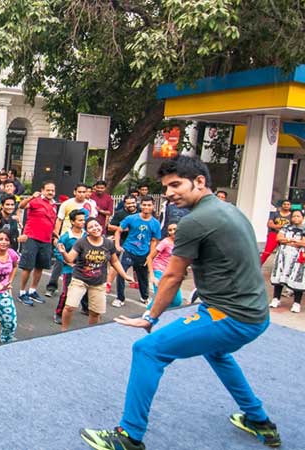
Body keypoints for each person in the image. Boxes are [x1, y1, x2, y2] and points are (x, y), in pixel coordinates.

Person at [80, 156, 281, 450]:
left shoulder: (195, 222)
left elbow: (173, 275)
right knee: (218, 354)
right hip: (255, 314)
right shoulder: (231, 211)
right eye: (166, 187)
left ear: (200, 181)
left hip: (231, 316)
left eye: (176, 184)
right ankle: (259, 420)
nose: (170, 193)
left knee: (147, 350)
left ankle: (128, 436)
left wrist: (149, 317)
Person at [57, 218, 133, 332]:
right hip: (80, 279)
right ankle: (64, 330)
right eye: (91, 227)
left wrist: (125, 275)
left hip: (98, 282)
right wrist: (63, 252)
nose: (95, 228)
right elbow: (70, 259)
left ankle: (91, 333)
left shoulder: (108, 243)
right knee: (69, 306)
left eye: (96, 225)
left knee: (95, 313)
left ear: (101, 227)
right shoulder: (81, 242)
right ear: (87, 231)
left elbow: (115, 261)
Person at [113, 196, 161, 307]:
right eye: (144, 205)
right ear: (141, 205)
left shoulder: (155, 223)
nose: (146, 207)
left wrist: (151, 255)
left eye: (149, 205)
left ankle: (145, 297)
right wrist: (117, 245)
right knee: (121, 274)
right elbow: (118, 231)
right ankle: (120, 298)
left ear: (153, 206)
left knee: (143, 277)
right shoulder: (131, 218)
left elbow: (154, 241)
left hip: (143, 253)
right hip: (128, 250)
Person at [17, 181, 57, 305]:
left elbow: (52, 222)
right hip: (32, 237)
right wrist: (31, 197)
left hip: (46, 240)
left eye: (52, 190)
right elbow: (22, 206)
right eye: (48, 190)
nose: (50, 192)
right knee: (27, 267)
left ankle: (32, 290)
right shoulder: (35, 201)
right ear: (43, 190)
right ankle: (22, 292)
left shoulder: (54, 205)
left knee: (40, 266)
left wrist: (55, 235)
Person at [52, 209, 86, 325]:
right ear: (72, 222)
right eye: (80, 220)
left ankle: (86, 309)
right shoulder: (66, 237)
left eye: (83, 220)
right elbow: (57, 252)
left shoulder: (87, 235)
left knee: (87, 291)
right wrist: (67, 262)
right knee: (67, 292)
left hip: (84, 269)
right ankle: (59, 313)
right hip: (69, 270)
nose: (83, 222)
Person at [269, 209, 305, 312]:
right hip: (283, 257)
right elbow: (279, 238)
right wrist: (293, 241)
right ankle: (276, 299)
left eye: (298, 216)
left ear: (302, 218)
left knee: (297, 280)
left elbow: (303, 243)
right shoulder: (286, 227)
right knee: (279, 277)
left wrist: (288, 241)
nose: (296, 218)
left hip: (298, 259)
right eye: (294, 216)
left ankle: (296, 303)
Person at [146, 222, 184, 309]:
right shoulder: (165, 242)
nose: (172, 232)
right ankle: (148, 315)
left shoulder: (182, 243)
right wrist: (152, 276)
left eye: (175, 229)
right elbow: (150, 257)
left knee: (177, 301)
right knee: (160, 297)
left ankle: (163, 315)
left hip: (172, 273)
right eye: (170, 230)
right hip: (159, 271)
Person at [260, 199, 292, 265]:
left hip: (286, 236)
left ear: (290, 206)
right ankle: (258, 265)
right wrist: (283, 226)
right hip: (273, 234)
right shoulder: (274, 214)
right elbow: (269, 224)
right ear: (282, 205)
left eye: (288, 204)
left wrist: (276, 226)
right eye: (284, 204)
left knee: (285, 254)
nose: (286, 206)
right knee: (267, 252)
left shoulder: (292, 216)